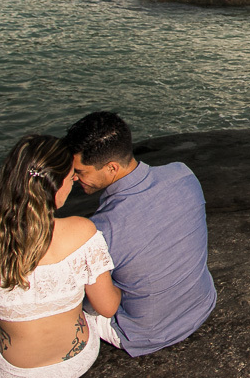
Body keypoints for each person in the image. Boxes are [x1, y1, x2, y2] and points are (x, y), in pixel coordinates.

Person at [0, 135, 121, 378]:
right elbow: (108, 307)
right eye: (70, 179)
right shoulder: (82, 231)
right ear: (54, 186)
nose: (74, 183)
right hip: (78, 359)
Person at [63, 111, 216, 357]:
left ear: (111, 167)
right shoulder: (184, 174)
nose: (73, 177)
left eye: (80, 171)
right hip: (200, 304)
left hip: (146, 333)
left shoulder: (102, 228)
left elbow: (101, 303)